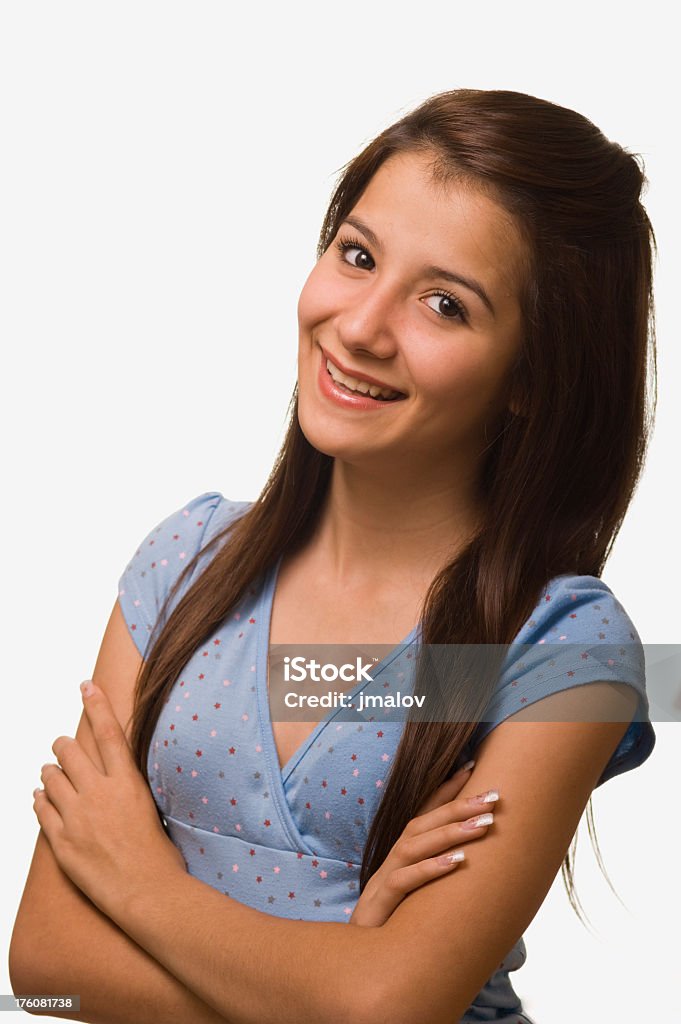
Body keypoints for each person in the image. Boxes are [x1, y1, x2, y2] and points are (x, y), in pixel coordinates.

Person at [10, 88, 656, 1024]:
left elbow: (386, 1008)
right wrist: (343, 963)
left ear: (530, 378)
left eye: (444, 304)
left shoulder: (560, 647)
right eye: (357, 256)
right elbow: (43, 964)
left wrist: (144, 886)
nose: (359, 326)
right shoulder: (181, 563)